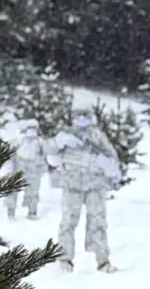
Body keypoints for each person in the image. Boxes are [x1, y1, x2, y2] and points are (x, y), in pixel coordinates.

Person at [45, 111, 121, 273]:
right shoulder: (65, 136)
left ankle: (102, 260)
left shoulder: (98, 136)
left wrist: (106, 163)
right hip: (71, 185)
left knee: (98, 222)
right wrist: (58, 143)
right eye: (78, 115)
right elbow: (49, 154)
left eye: (85, 115)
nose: (81, 118)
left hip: (95, 185)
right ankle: (64, 259)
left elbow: (113, 158)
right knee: (68, 222)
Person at [7, 121, 46, 220]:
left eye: (34, 128)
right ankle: (11, 211)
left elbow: (44, 157)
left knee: (33, 192)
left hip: (34, 171)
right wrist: (11, 168)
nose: (31, 130)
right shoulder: (17, 140)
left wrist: (41, 170)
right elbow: (10, 155)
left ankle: (32, 212)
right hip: (18, 169)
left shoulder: (40, 142)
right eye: (29, 128)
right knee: (13, 190)